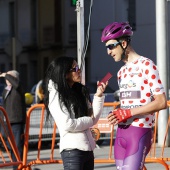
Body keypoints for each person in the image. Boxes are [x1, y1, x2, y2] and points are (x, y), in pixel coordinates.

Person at [101, 22, 167, 170]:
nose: (108, 52)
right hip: (121, 133)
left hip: (139, 131)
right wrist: (118, 111)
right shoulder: (121, 72)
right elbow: (131, 102)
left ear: (123, 43)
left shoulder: (147, 65)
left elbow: (161, 102)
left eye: (111, 46)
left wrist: (128, 112)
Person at [43, 56, 108, 170]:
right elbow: (68, 124)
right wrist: (89, 120)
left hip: (88, 149)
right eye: (75, 68)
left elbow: (94, 118)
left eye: (79, 67)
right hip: (72, 151)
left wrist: (98, 95)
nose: (79, 70)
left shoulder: (79, 91)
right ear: (65, 73)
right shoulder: (56, 94)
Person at [0, 70, 26, 170]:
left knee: (17, 147)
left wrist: (6, 75)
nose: (6, 79)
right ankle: (15, 166)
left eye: (9, 77)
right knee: (10, 147)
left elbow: (17, 84)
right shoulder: (7, 89)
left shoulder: (19, 87)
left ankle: (17, 168)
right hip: (7, 122)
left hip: (17, 122)